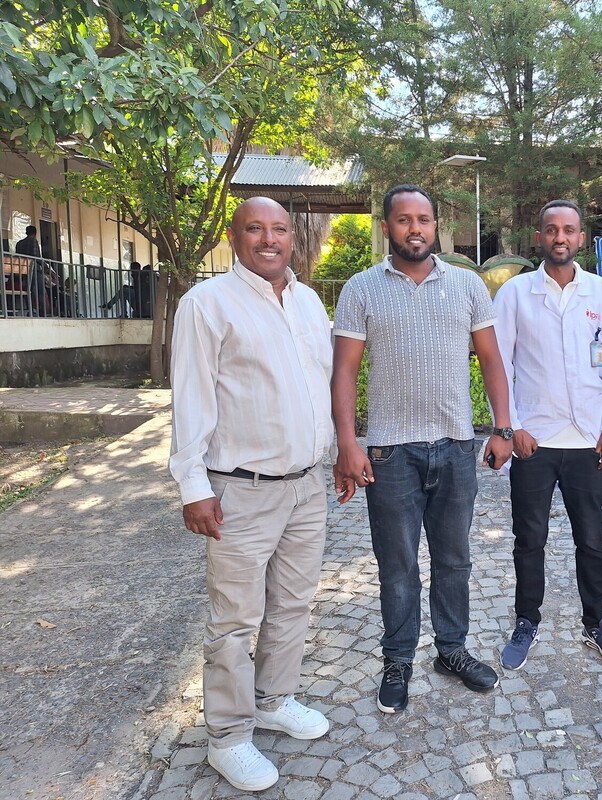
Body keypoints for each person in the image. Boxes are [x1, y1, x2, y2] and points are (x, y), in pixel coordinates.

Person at [169, 197, 335, 792]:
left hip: (305, 485)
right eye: (255, 229)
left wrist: (335, 455)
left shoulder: (310, 301)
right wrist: (193, 486)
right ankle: (228, 736)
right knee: (235, 620)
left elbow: (318, 383)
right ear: (234, 236)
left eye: (279, 229)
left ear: (293, 236)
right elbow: (191, 398)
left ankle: (273, 699)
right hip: (240, 490)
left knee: (293, 604)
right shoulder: (207, 305)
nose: (269, 239)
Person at [332, 183, 514, 715]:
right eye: (405, 220)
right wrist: (349, 442)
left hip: (456, 445)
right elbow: (343, 372)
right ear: (386, 227)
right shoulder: (361, 289)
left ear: (437, 227)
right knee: (398, 566)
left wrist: (501, 428)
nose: (416, 229)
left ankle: (452, 651)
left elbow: (492, 360)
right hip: (390, 454)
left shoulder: (466, 286)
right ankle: (398, 661)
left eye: (425, 220)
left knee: (454, 560)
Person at [493, 199, 602, 671]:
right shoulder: (514, 294)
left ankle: (596, 622)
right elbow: (500, 366)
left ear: (580, 238)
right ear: (539, 237)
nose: (559, 238)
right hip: (535, 440)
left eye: (568, 230)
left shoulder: (601, 295)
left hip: (588, 442)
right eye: (551, 230)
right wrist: (512, 428)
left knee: (591, 537)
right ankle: (526, 619)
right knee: (529, 538)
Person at [15, 225, 48, 316]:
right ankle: (43, 312)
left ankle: (31, 309)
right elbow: (35, 257)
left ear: (26, 232)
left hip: (22, 272)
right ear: (35, 233)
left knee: (28, 290)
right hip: (33, 270)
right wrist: (45, 266)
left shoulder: (19, 243)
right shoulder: (33, 241)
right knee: (40, 290)